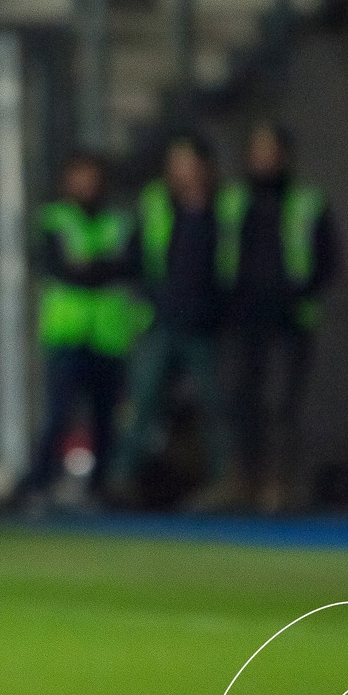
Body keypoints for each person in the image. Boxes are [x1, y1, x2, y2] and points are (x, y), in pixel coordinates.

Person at [218, 121, 339, 513]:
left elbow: (328, 259)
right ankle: (242, 480)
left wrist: (300, 293)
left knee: (284, 404)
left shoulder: (308, 201)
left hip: (291, 318)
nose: (264, 158)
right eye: (257, 150)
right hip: (243, 317)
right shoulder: (232, 200)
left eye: (271, 151)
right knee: (241, 400)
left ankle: (280, 485)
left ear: (286, 156)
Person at [16, 152, 140, 506]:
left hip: (109, 334)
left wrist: (87, 266)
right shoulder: (55, 219)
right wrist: (102, 266)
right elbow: (60, 266)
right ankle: (41, 482)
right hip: (67, 334)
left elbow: (129, 266)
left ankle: (101, 486)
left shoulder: (119, 222)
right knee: (60, 412)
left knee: (106, 417)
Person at [114, 132, 230, 507]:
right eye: (175, 162)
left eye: (188, 162)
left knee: (216, 406)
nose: (181, 171)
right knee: (142, 403)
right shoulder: (155, 204)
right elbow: (135, 256)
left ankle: (224, 483)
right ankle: (121, 481)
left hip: (205, 325)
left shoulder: (225, 207)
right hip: (161, 321)